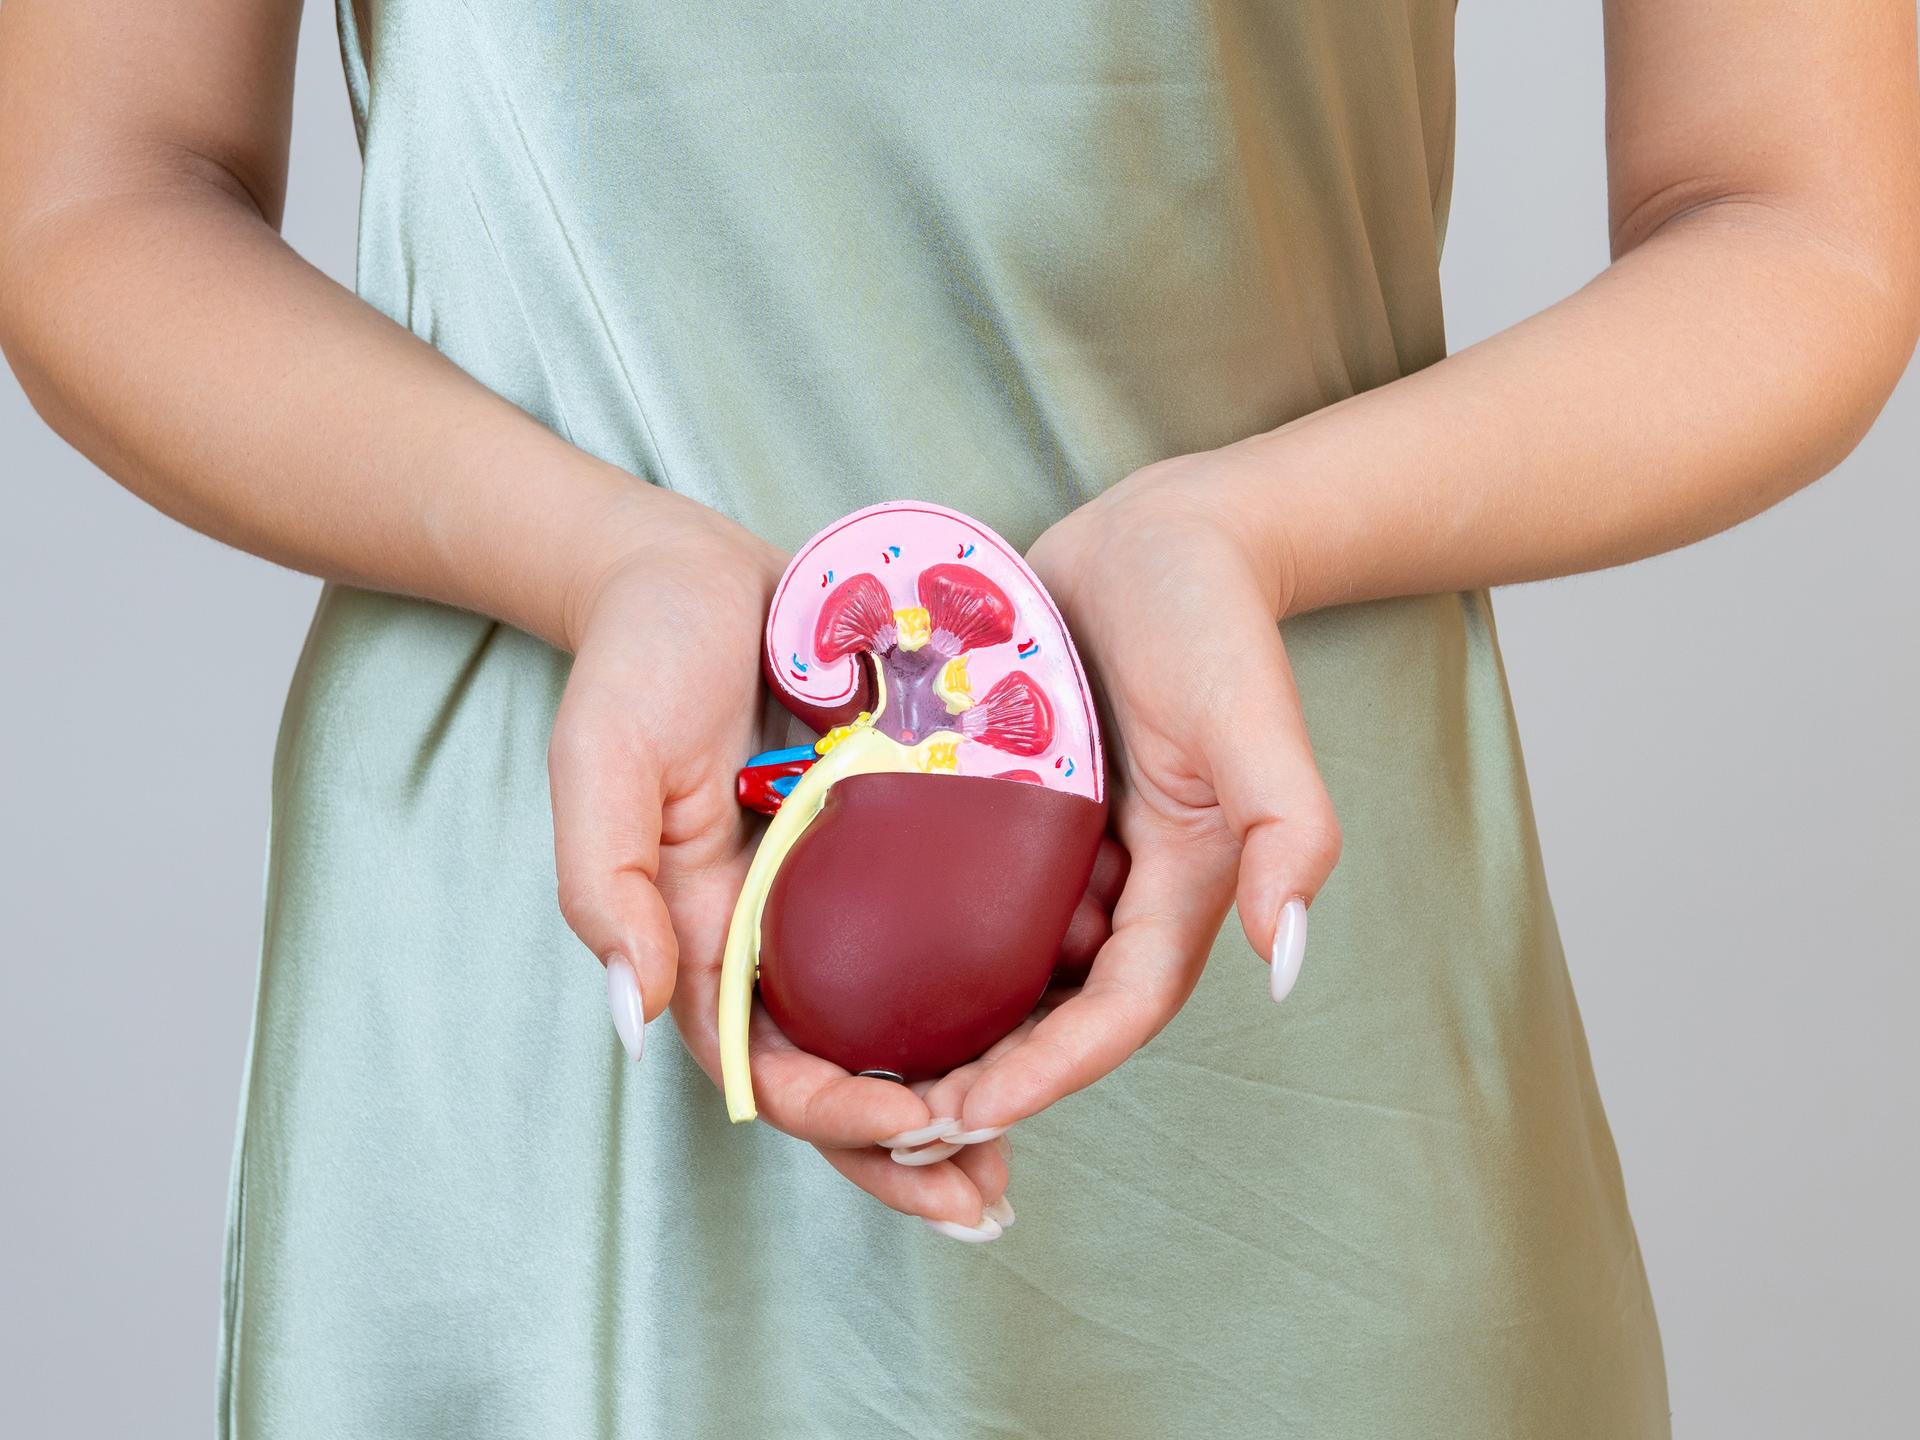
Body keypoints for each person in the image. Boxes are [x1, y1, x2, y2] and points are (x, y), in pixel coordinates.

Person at [2, 1, 1914, 1434]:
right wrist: (593, 558)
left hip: (1250, 922)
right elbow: (94, 192)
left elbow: (1803, 222)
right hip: (569, 945)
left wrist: (1249, 528)